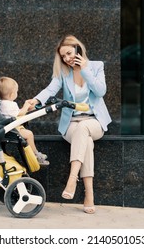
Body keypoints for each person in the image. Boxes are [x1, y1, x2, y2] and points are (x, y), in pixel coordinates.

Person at [27, 34, 112, 214]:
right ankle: (89, 193)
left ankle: (72, 179)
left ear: (78, 49)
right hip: (71, 125)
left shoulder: (96, 66)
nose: (66, 59)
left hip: (95, 122)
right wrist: (35, 100)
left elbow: (101, 91)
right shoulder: (64, 73)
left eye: (68, 53)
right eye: (63, 56)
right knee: (85, 139)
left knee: (85, 128)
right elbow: (50, 89)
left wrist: (84, 69)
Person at [0, 76, 49, 166]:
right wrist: (26, 105)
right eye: (16, 91)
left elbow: (16, 113)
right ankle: (35, 154)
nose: (17, 93)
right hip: (13, 129)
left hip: (9, 127)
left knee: (27, 134)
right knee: (29, 134)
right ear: (12, 95)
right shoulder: (10, 104)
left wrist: (28, 109)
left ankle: (35, 153)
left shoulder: (1, 103)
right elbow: (20, 114)